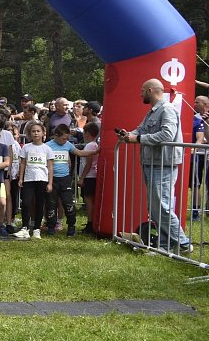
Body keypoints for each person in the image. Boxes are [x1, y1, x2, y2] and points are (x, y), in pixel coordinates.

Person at [118, 79, 193, 254]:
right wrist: (129, 134)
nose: (140, 94)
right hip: (152, 163)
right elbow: (141, 129)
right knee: (155, 207)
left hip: (163, 164)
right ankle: (164, 246)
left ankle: (183, 244)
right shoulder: (153, 112)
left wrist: (138, 139)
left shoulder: (166, 109)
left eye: (142, 91)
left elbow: (167, 134)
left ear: (150, 90)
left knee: (162, 206)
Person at [14, 121, 54, 240]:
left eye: (38, 131)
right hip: (28, 179)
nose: (36, 133)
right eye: (33, 131)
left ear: (43, 133)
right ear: (29, 134)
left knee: (39, 204)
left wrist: (50, 182)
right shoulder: (26, 147)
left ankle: (37, 228)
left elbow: (50, 166)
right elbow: (22, 163)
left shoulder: (47, 149)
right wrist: (21, 178)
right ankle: (25, 228)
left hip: (42, 179)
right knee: (26, 203)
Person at [77, 122, 100, 235]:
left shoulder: (90, 145)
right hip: (92, 175)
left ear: (88, 133)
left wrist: (82, 178)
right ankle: (92, 222)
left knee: (88, 200)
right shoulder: (94, 145)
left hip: (89, 176)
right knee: (90, 200)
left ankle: (90, 223)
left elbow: (88, 163)